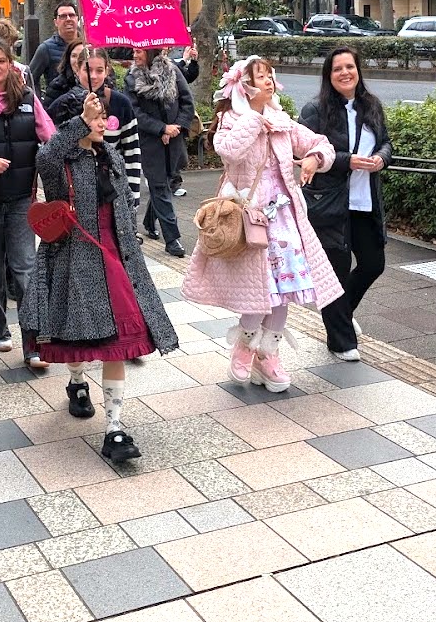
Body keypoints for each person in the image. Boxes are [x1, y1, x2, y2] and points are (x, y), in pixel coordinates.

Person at [20, 91, 179, 462]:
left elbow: (125, 203)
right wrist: (79, 122)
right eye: (93, 116)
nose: (100, 122)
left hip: (117, 257)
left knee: (116, 343)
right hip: (74, 257)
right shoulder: (62, 160)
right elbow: (46, 157)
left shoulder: (111, 156)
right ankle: (76, 382)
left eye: (101, 115)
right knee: (79, 338)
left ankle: (115, 428)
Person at [183, 56, 342, 389]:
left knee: (282, 291)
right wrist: (254, 116)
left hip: (285, 215)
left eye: (271, 75)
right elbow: (226, 151)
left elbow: (320, 143)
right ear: (245, 85)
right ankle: (244, 345)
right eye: (260, 76)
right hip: (247, 216)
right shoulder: (232, 119)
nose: (269, 81)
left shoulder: (283, 121)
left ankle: (268, 353)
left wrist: (314, 158)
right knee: (261, 289)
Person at [298, 46, 393, 361]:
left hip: (365, 201)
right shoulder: (316, 110)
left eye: (349, 67)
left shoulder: (372, 106)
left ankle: (341, 311)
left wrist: (381, 158)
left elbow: (386, 142)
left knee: (373, 263)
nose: (345, 73)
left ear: (358, 70)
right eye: (337, 68)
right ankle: (340, 341)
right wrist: (346, 160)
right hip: (330, 203)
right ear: (329, 75)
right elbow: (304, 154)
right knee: (335, 272)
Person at [0, 37, 55, 367]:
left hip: (20, 198)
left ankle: (35, 342)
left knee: (25, 268)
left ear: (10, 62)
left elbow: (49, 134)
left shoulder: (27, 97)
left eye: (1, 60)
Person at [48, 45, 142, 207]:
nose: (94, 76)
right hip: (75, 193)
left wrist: (133, 197)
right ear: (77, 69)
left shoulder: (121, 104)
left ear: (107, 70)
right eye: (88, 70)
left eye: (99, 70)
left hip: (114, 193)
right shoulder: (63, 105)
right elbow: (51, 151)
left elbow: (131, 152)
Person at [125, 48, 193, 257]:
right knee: (160, 186)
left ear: (151, 51)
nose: (135, 56)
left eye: (139, 52)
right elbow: (135, 112)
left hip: (173, 139)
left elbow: (187, 102)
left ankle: (148, 221)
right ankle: (173, 240)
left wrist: (175, 128)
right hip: (148, 141)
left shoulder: (172, 71)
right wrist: (160, 128)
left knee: (165, 182)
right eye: (133, 52)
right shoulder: (131, 78)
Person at [28, 1, 80, 102]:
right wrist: (39, 105)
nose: (68, 19)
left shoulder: (89, 45)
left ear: (77, 18)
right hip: (57, 107)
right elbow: (31, 78)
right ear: (56, 22)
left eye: (72, 15)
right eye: (63, 16)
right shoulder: (46, 48)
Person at [170, 43, 200, 197]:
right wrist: (183, 60)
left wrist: (193, 62)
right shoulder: (159, 60)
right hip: (161, 118)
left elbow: (187, 77)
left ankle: (174, 182)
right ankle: (166, 181)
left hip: (176, 115)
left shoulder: (175, 56)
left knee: (177, 152)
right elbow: (173, 71)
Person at [40, 38, 87, 110]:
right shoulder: (58, 85)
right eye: (74, 56)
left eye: (82, 55)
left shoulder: (102, 82)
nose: (77, 60)